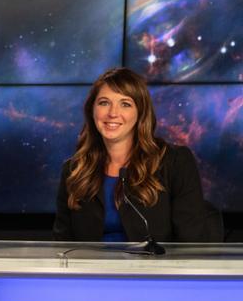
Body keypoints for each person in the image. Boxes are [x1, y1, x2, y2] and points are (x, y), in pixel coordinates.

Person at [53, 67, 217, 243]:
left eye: (125, 104)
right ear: (92, 110)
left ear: (140, 112)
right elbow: (62, 244)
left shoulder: (175, 162)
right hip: (91, 269)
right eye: (104, 103)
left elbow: (191, 242)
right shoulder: (74, 170)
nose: (113, 113)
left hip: (154, 269)